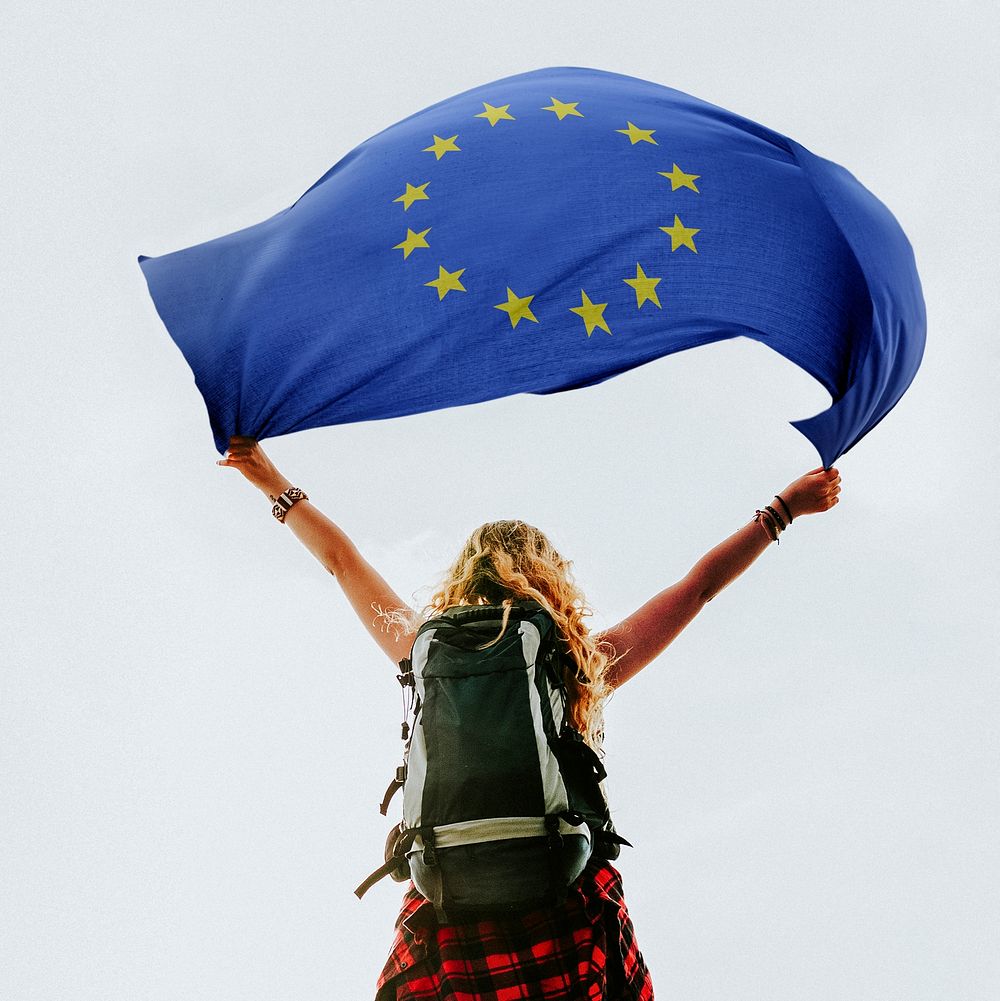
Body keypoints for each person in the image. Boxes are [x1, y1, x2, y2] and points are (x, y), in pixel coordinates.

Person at [217, 435, 842, 1000]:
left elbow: (341, 562)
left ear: (463, 578)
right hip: (565, 910)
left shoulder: (424, 649)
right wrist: (782, 509)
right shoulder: (575, 662)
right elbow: (699, 586)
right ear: (550, 578)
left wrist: (271, 480)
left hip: (447, 915)